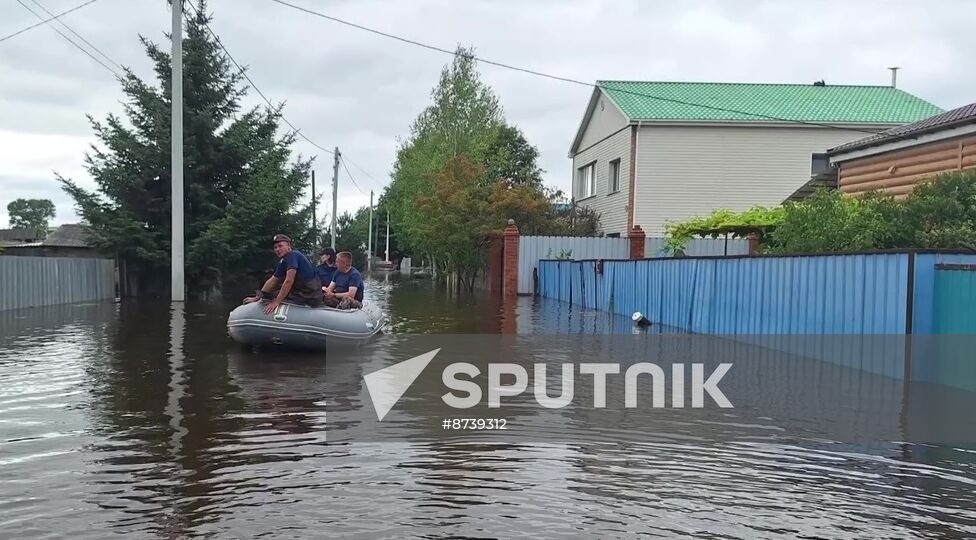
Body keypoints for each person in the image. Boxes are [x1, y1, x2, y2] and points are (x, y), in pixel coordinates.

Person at [244, 234, 322, 314]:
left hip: (310, 294)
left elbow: (289, 280)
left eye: (280, 246)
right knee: (269, 293)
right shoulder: (283, 262)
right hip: (299, 291)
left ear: (288, 245)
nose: (277, 249)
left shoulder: (293, 255)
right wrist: (257, 297)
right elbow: (273, 280)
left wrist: (276, 302)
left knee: (274, 296)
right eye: (275, 247)